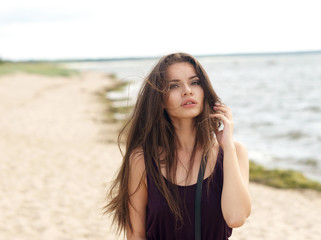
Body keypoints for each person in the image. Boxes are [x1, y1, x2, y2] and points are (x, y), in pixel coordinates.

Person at [104, 52, 251, 240]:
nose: (187, 91)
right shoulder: (142, 159)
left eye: (195, 82)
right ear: (160, 99)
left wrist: (227, 145)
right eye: (174, 85)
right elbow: (135, 235)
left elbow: (236, 218)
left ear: (205, 90)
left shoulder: (234, 152)